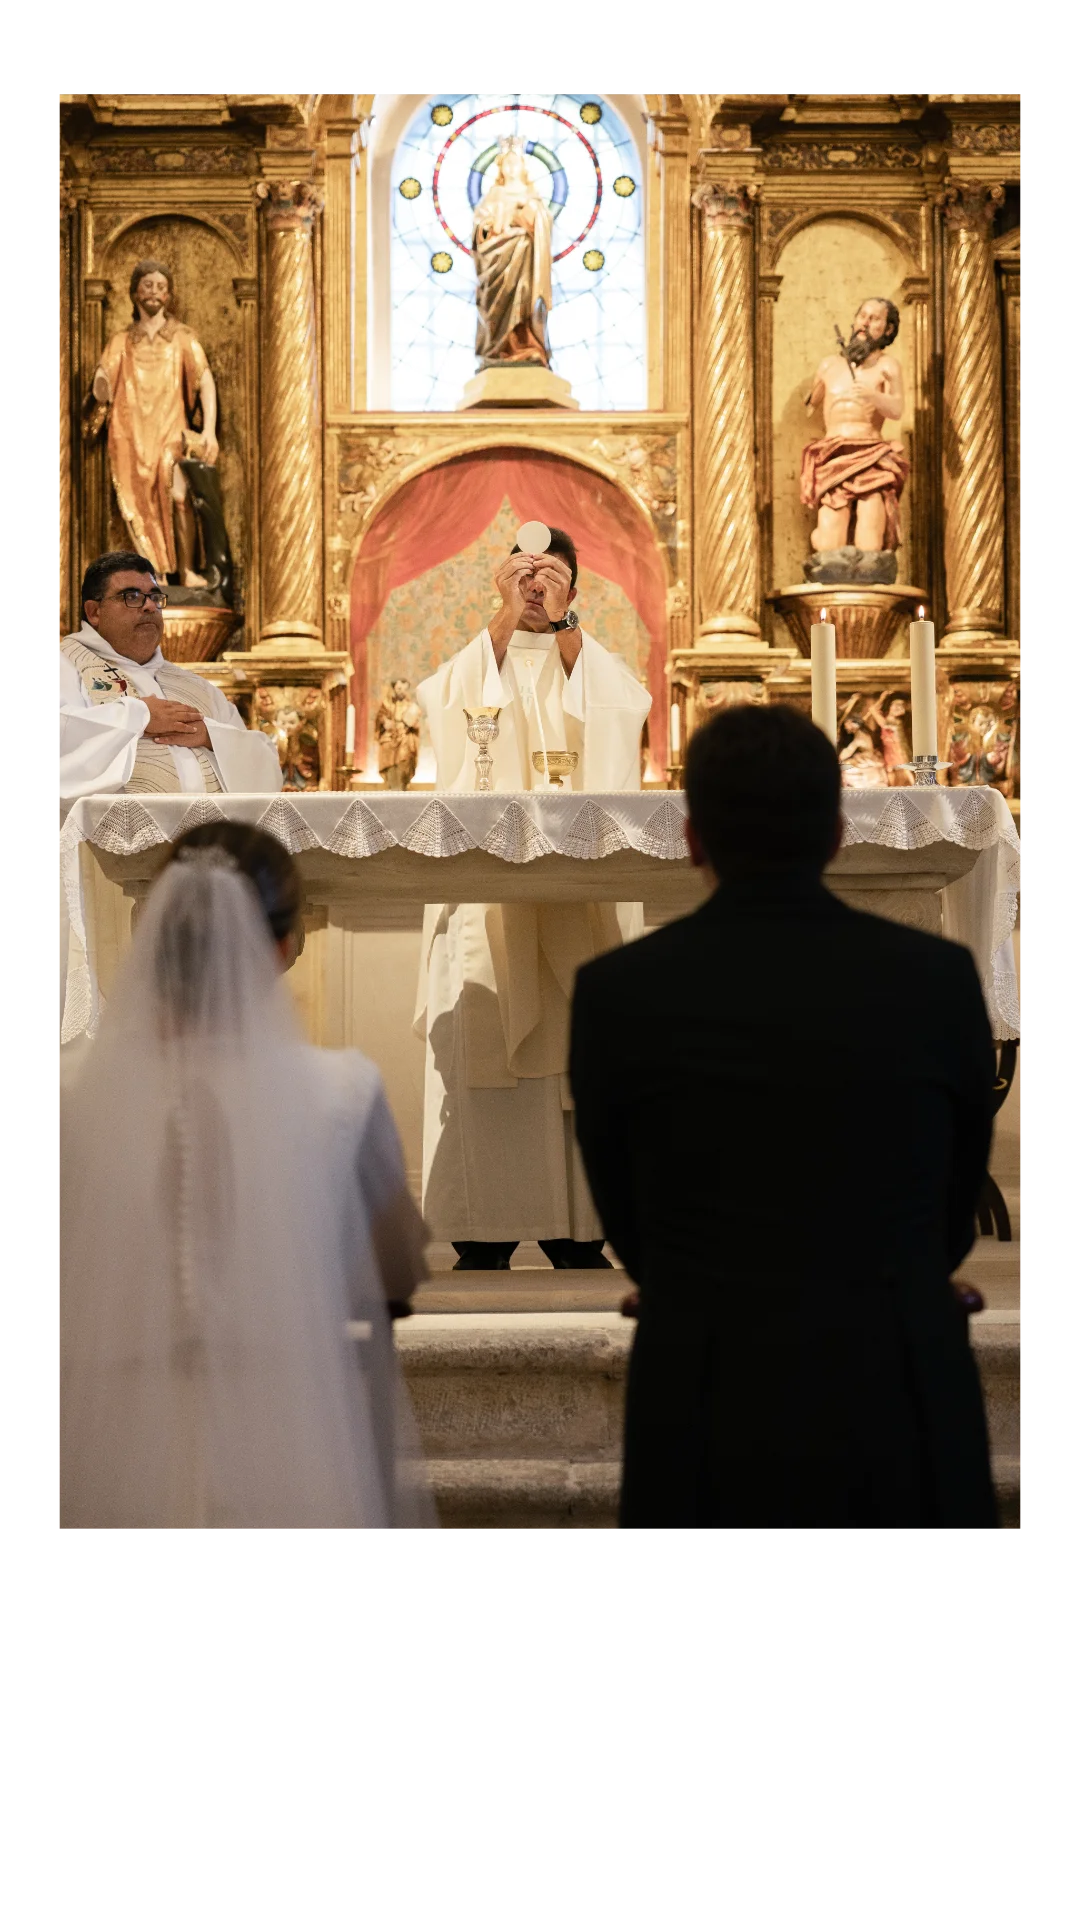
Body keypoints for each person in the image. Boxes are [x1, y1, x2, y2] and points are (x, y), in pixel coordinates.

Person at [570, 703, 998, 1535]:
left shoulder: (619, 992)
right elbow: (954, 1196)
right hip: (898, 1376)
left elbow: (627, 1213)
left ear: (692, 839)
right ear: (837, 833)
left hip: (704, 1383)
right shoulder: (936, 977)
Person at [57, 820, 434, 1535]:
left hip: (106, 1449)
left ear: (153, 937)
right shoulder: (339, 1091)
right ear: (283, 948)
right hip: (281, 1446)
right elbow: (398, 1273)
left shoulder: (70, 1093)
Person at [415, 526, 651, 1271]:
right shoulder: (475, 660)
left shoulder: (594, 663)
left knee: (573, 1058)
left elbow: (621, 718)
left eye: (551, 575)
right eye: (522, 573)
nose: (536, 584)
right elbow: (442, 714)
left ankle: (575, 1227)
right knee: (482, 1038)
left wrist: (563, 623)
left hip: (575, 889)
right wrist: (507, 616)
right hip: (484, 892)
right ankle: (483, 1227)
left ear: (575, 587)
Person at [57, 552, 282, 800]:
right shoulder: (65, 666)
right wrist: (139, 716)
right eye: (132, 596)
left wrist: (211, 737)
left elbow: (267, 767)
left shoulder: (199, 688)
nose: (150, 606)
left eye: (155, 597)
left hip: (210, 825)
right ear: (94, 612)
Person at [84, 260, 218, 589]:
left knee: (178, 492)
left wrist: (209, 431)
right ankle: (154, 574)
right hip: (131, 436)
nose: (154, 292)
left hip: (171, 432)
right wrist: (101, 384)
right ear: (135, 293)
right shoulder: (122, 342)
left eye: (160, 287)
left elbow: (205, 381)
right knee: (139, 501)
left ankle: (186, 570)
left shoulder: (182, 338)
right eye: (147, 285)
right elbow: (103, 378)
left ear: (169, 294)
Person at [802, 298, 909, 556]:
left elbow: (896, 410)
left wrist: (873, 396)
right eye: (862, 316)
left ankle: (870, 568)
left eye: (874, 319)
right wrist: (814, 391)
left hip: (870, 454)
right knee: (829, 542)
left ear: (888, 329)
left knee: (870, 539)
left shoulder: (887, 366)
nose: (865, 323)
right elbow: (810, 406)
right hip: (834, 454)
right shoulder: (830, 365)